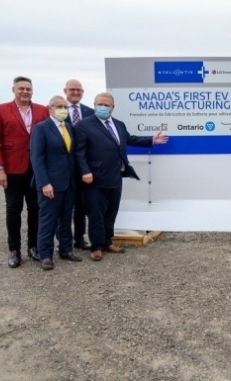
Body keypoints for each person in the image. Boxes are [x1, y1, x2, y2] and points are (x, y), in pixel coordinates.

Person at [75, 92, 168, 262]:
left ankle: (107, 241)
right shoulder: (84, 125)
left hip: (115, 176)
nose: (102, 107)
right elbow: (79, 152)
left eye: (106, 105)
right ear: (94, 105)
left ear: (113, 107)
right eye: (99, 104)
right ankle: (96, 247)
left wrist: (151, 140)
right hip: (94, 178)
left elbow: (130, 139)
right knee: (96, 213)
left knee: (111, 211)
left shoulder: (118, 124)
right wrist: (84, 171)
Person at [0, 76, 49, 268]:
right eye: (21, 88)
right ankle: (14, 250)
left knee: (36, 209)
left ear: (32, 91)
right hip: (12, 170)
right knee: (14, 209)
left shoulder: (42, 110)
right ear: (13, 90)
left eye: (28, 89)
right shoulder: (0, 110)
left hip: (36, 170)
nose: (25, 92)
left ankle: (34, 247)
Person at [30, 96, 83, 270]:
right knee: (48, 220)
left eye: (64, 106)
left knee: (66, 219)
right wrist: (44, 183)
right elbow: (37, 158)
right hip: (50, 185)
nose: (62, 109)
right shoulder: (41, 128)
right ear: (50, 108)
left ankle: (66, 250)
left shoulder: (68, 127)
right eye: (58, 106)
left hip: (69, 183)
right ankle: (45, 254)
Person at [62, 79, 94, 250]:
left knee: (81, 206)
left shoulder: (90, 112)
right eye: (72, 89)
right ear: (65, 90)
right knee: (64, 207)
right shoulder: (57, 109)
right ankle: (63, 242)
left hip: (84, 167)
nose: (75, 92)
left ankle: (79, 239)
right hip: (63, 168)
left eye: (78, 90)